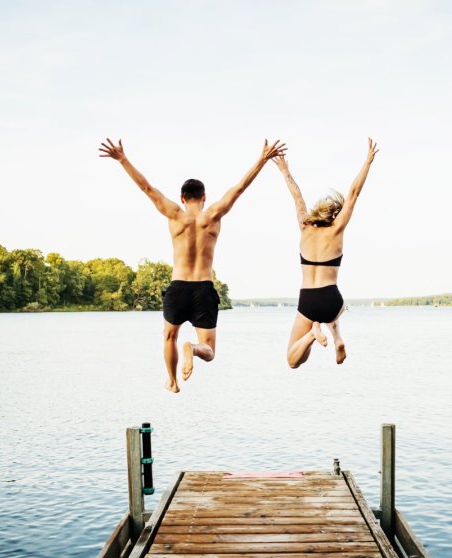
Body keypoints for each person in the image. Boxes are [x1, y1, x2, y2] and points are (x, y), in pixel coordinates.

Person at [99, 137, 287, 392]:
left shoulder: (174, 214)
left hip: (178, 288)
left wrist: (122, 159)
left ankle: (173, 381)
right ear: (204, 197)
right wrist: (262, 160)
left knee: (169, 336)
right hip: (203, 288)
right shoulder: (213, 214)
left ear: (182, 197)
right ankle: (193, 349)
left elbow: (146, 187)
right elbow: (240, 188)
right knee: (209, 351)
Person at [272, 138, 378, 368]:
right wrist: (368, 161)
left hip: (308, 298)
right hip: (332, 298)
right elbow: (353, 193)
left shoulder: (304, 227)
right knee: (339, 309)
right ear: (334, 216)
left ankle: (312, 334)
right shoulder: (337, 230)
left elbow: (297, 196)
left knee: (293, 360)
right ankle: (337, 337)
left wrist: (284, 170)